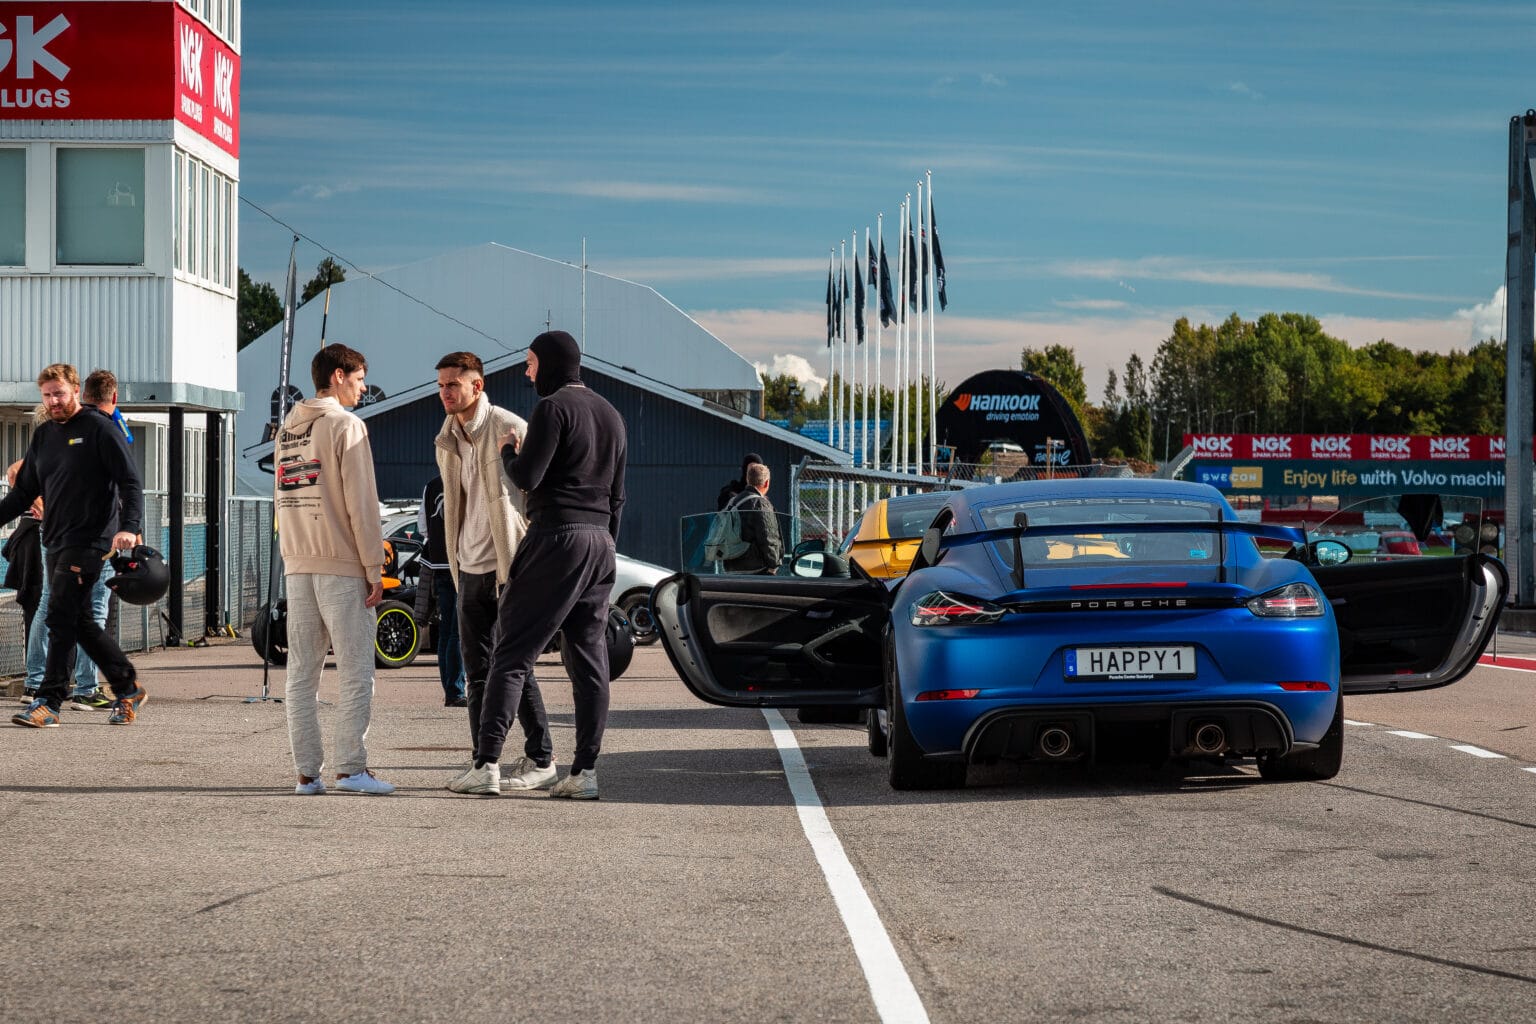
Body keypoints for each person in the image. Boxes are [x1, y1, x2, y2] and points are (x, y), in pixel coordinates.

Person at [452, 329, 626, 799]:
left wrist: (508, 450)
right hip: (600, 542)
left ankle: (486, 764)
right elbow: (618, 496)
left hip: (556, 537)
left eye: (530, 362)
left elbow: (528, 476)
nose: (528, 372)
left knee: (511, 651)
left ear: (550, 362)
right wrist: (606, 547)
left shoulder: (553, 408)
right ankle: (584, 774)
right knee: (589, 660)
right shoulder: (611, 415)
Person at [432, 351, 556, 792]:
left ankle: (542, 757)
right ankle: (484, 764)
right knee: (477, 669)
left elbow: (540, 494)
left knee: (514, 666)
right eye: (442, 384)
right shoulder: (446, 437)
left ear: (477, 386)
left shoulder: (510, 426)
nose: (445, 392)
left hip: (509, 568)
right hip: (468, 566)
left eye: (454, 384)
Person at [275, 343, 394, 796]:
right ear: (340, 375)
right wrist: (372, 566)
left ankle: (307, 774)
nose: (364, 388)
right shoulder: (347, 425)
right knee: (356, 669)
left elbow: (282, 500)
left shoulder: (288, 428)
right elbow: (362, 504)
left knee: (301, 674)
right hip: (341, 564)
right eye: (361, 378)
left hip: (298, 562)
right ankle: (351, 769)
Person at [0, 364, 147, 729]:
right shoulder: (45, 435)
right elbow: (23, 492)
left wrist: (129, 528)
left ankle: (48, 701)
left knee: (59, 615)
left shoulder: (100, 429)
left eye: (59, 394)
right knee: (78, 619)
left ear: (76, 390)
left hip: (91, 540)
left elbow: (129, 483)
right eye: (47, 395)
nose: (54, 401)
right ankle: (126, 686)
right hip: (55, 540)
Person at [415, 475, 466, 707]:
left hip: (438, 563)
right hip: (462, 561)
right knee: (458, 631)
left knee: (446, 630)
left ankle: (450, 688)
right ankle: (456, 690)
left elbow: (422, 528)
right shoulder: (465, 479)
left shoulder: (431, 485)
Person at [723, 462, 783, 575]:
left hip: (731, 568)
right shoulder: (761, 504)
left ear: (748, 479)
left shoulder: (733, 502)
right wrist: (773, 564)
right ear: (766, 483)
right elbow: (769, 537)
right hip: (756, 569)